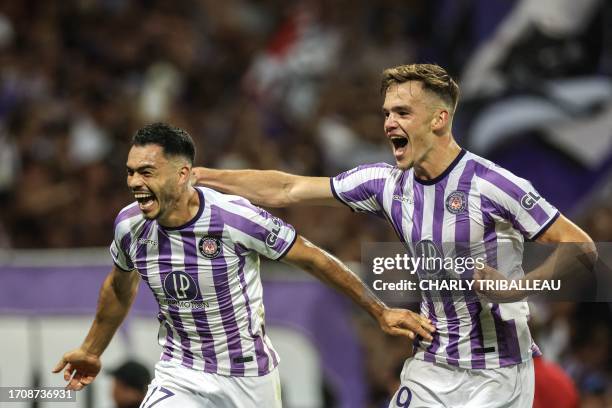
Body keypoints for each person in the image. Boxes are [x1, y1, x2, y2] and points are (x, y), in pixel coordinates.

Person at [193, 64, 596, 407]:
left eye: (402, 112)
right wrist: (202, 177)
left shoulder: (492, 184)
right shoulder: (385, 183)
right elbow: (286, 189)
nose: (388, 123)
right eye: (386, 113)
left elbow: (581, 248)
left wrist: (518, 288)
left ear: (438, 119)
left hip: (498, 375)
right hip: (431, 364)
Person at [52, 123, 433, 407]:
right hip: (181, 373)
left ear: (182, 174)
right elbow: (120, 287)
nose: (135, 182)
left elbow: (314, 259)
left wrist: (379, 311)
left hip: (250, 379)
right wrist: (91, 349)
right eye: (131, 171)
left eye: (147, 172)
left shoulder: (233, 218)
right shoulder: (130, 225)